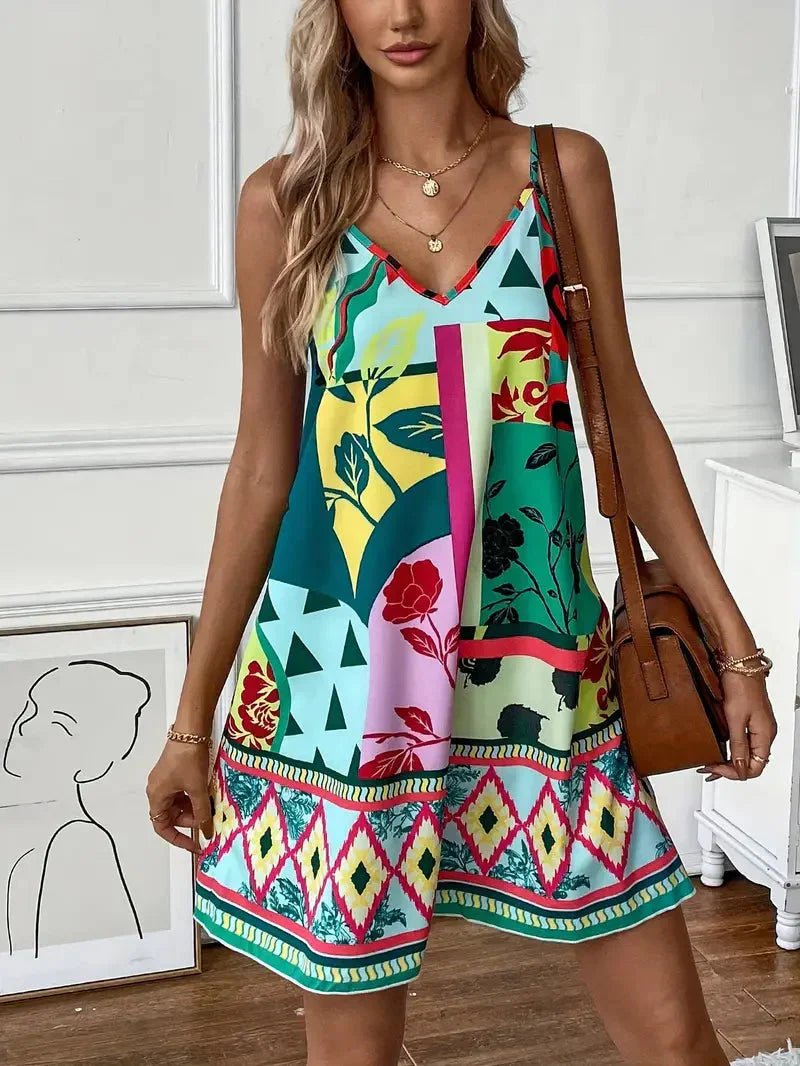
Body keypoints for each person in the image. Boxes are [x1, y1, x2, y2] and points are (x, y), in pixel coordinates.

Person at [146, 2, 778, 1063]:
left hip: (541, 663)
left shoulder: (559, 173)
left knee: (676, 1043)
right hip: (345, 674)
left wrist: (734, 643)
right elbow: (261, 466)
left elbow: (623, 417)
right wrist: (188, 720)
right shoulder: (286, 203)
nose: (402, 14)